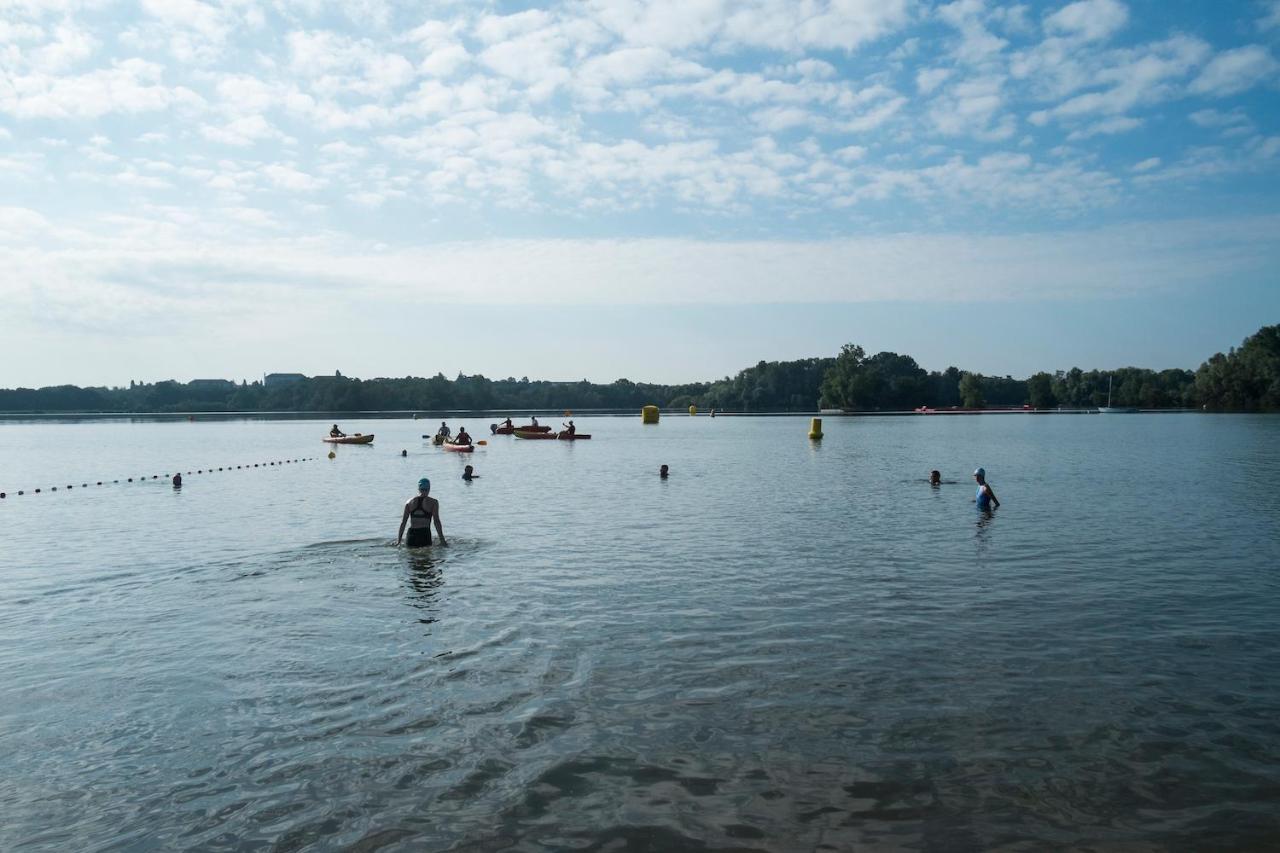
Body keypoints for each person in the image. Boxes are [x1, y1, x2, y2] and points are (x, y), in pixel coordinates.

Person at [398, 478, 446, 548]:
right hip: (425, 534)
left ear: (419, 488)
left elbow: (403, 523)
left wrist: (399, 541)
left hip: (411, 535)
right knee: (426, 557)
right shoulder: (433, 502)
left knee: (411, 557)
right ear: (429, 488)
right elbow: (436, 521)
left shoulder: (409, 502)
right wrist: (442, 540)